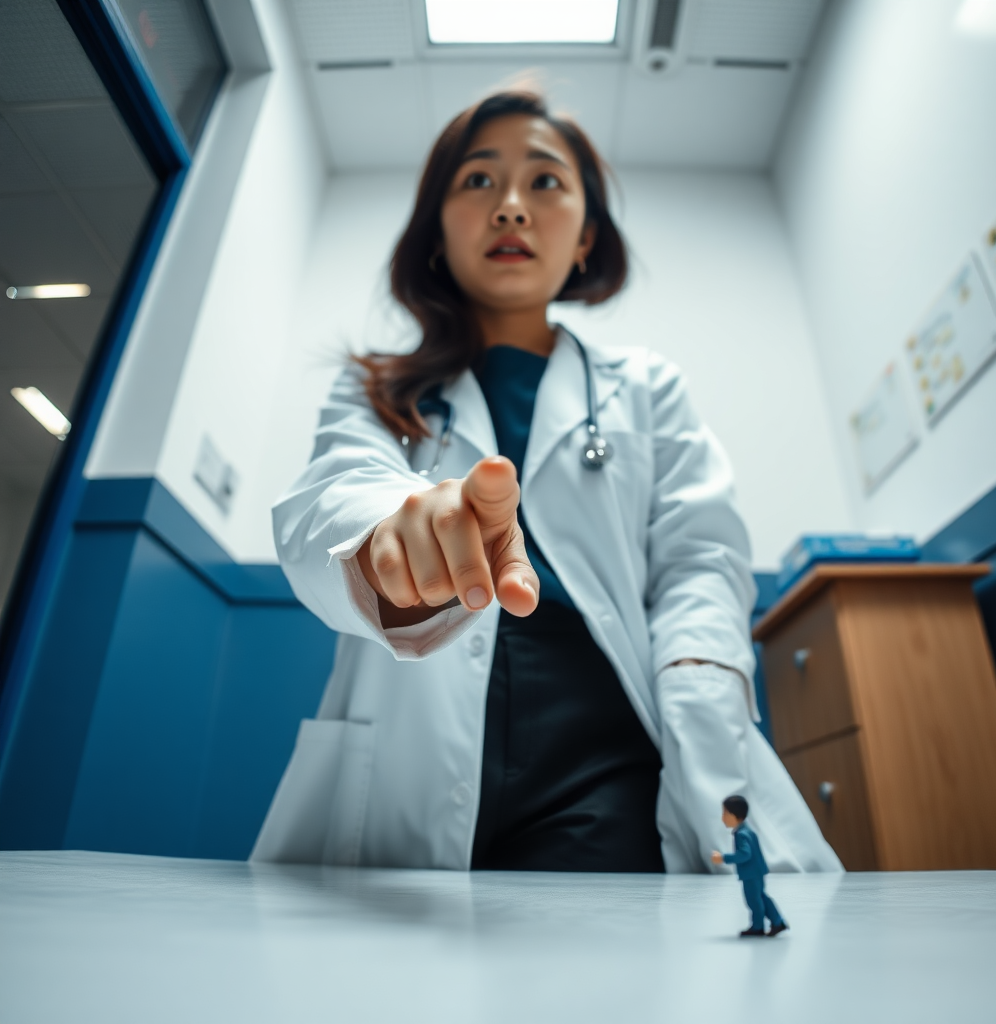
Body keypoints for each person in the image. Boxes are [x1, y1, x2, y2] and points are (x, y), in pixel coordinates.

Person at [252, 89, 841, 874]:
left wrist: (702, 687)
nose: (511, 208)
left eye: (546, 183)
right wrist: (396, 533)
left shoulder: (647, 388)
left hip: (602, 758)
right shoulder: (376, 389)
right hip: (408, 751)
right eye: (478, 182)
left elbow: (701, 562)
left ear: (587, 237)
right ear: (437, 234)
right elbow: (336, 491)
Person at [712, 795, 789, 937]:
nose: (723, 818)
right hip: (756, 871)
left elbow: (745, 854)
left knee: (754, 901)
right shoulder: (746, 830)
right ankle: (778, 922)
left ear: (736, 816)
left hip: (751, 873)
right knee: (761, 897)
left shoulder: (742, 834)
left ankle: (758, 927)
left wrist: (723, 858)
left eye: (725, 813)